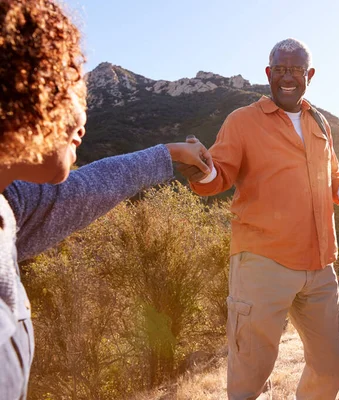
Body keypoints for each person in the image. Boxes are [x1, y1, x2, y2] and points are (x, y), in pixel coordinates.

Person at [0, 1, 211, 398]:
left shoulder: (9, 204)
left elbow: (80, 191)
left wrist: (167, 155)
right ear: (19, 86)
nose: (83, 111)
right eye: (69, 86)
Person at [185, 38, 339, 399]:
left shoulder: (320, 122)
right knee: (250, 376)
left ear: (308, 75)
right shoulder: (243, 121)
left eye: (295, 70)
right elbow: (217, 177)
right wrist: (200, 169)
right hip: (262, 263)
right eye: (279, 69)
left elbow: (331, 183)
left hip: (319, 265)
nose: (287, 78)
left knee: (330, 368)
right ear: (268, 73)